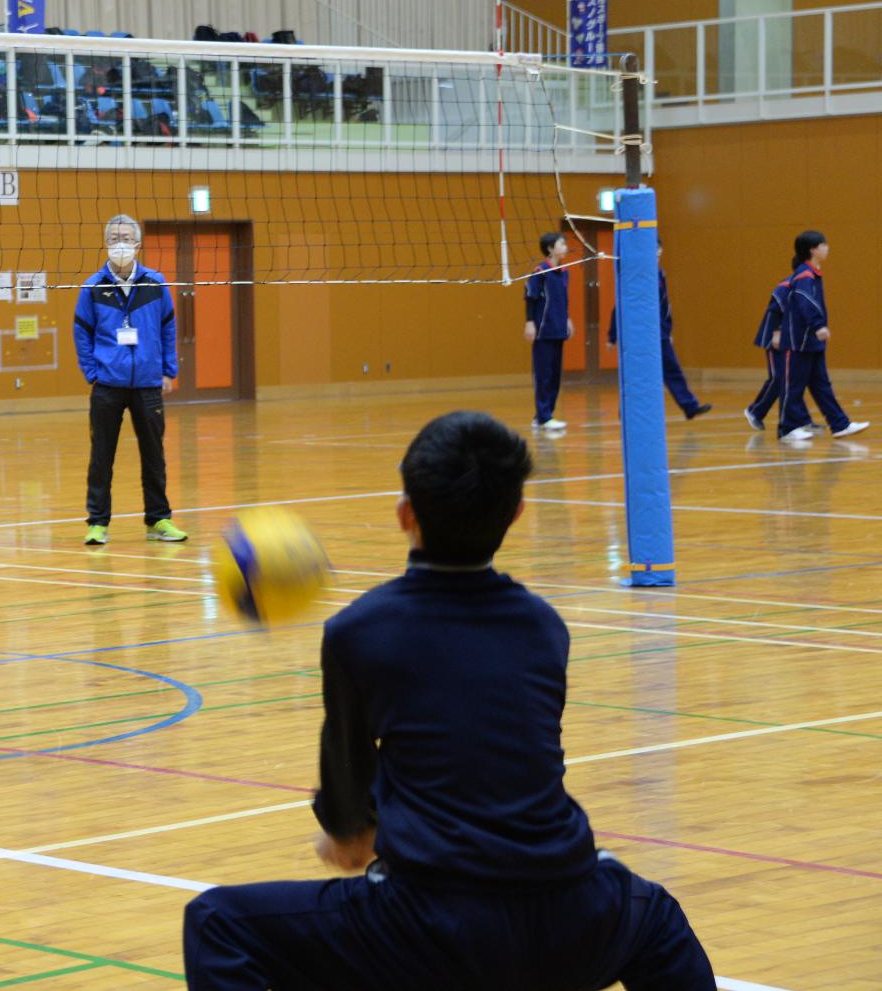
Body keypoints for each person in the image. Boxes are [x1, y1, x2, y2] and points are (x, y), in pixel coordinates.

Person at [182, 411, 716, 990]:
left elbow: (348, 799)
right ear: (515, 513)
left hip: (432, 930)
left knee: (217, 923)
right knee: (655, 916)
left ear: (404, 514)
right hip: (572, 915)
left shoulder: (359, 631)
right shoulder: (545, 627)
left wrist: (344, 832)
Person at [73, 215, 188, 547]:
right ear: (106, 244)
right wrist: (92, 373)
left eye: (125, 237)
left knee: (154, 454)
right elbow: (81, 332)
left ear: (137, 244)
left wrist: (168, 371)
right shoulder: (93, 287)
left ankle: (159, 519)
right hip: (108, 384)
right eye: (113, 238)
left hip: (148, 383)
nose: (119, 243)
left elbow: (168, 328)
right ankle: (97, 523)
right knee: (101, 457)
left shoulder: (155, 283)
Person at [777, 231, 869, 444]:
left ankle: (840, 424)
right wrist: (818, 325)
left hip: (812, 343)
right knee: (793, 385)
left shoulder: (813, 274)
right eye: (823, 245)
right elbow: (805, 301)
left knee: (821, 385)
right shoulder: (804, 276)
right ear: (813, 250)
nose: (827, 248)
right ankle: (786, 429)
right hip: (798, 341)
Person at [606, 247, 712, 420]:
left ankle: (690, 407)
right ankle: (625, 410)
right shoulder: (636, 276)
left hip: (659, 333)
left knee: (672, 369)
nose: (658, 252)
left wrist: (667, 330)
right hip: (639, 335)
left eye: (659, 248)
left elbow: (665, 306)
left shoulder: (659, 274)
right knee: (636, 373)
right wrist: (613, 335)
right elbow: (619, 306)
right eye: (654, 248)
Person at [523, 230, 571, 431]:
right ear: (551, 248)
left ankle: (544, 416)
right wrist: (529, 322)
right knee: (543, 375)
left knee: (555, 377)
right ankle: (544, 417)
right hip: (543, 330)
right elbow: (530, 297)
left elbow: (562, 300)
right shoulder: (539, 272)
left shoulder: (564, 272)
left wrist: (566, 318)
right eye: (561, 244)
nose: (565, 247)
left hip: (558, 329)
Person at [744, 266, 793, 430]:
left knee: (793, 379)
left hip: (791, 340)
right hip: (775, 339)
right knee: (777, 377)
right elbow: (775, 306)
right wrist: (777, 331)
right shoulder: (788, 285)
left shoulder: (808, 284)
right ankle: (755, 411)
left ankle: (801, 420)